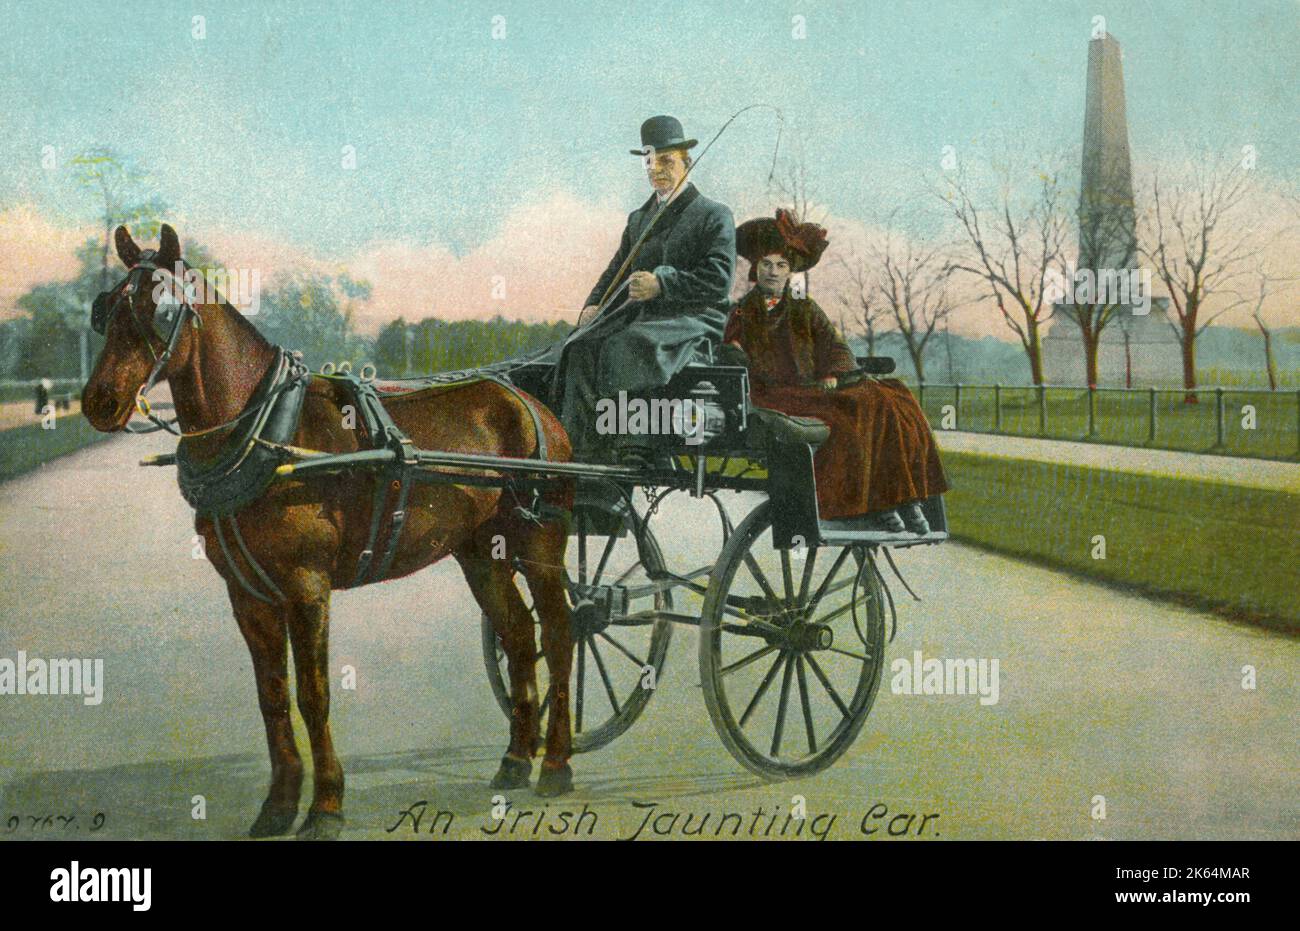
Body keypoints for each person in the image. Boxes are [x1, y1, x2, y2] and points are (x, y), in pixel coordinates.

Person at [724, 209, 948, 532]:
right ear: (756, 270)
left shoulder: (805, 308)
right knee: (856, 411)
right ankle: (875, 506)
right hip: (777, 394)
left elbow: (835, 345)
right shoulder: (743, 313)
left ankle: (905, 499)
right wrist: (738, 355)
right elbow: (730, 352)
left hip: (815, 389)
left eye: (781, 266)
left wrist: (832, 371)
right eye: (767, 265)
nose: (773, 272)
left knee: (894, 397)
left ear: (790, 272)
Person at [556, 115, 736, 462]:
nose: (655, 169)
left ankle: (635, 443)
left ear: (687, 162)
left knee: (627, 344)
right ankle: (580, 447)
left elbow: (718, 280)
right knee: (578, 347)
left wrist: (661, 283)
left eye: (665, 161)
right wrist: (593, 305)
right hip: (644, 316)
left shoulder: (713, 215)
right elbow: (615, 270)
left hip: (694, 319)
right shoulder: (639, 219)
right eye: (649, 162)